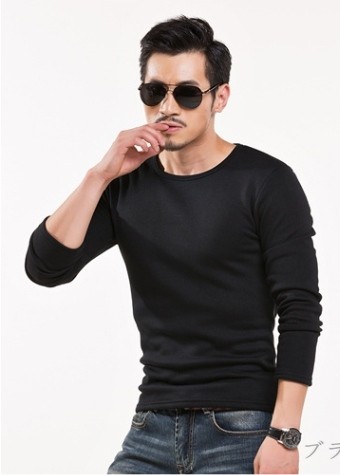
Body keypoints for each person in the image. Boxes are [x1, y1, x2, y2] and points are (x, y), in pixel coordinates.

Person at [25, 15, 322, 474]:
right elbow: (46, 268)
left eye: (187, 93)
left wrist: (285, 435)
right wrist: (99, 176)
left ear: (220, 97)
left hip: (241, 428)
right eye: (154, 92)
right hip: (151, 427)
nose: (168, 107)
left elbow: (300, 310)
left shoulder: (266, 181)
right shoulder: (127, 185)